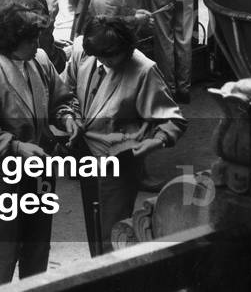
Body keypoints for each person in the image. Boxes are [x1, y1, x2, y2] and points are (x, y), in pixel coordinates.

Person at [0, 4, 78, 286]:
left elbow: (60, 98)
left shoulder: (39, 60)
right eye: (30, 39)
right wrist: (17, 147)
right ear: (12, 41)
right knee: (6, 242)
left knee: (39, 240)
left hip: (40, 168)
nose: (37, 44)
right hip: (5, 174)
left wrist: (67, 117)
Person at [64, 15, 186, 255]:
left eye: (112, 57)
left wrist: (155, 141)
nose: (107, 62)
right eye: (101, 58)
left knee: (113, 233)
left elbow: (174, 120)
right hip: (86, 155)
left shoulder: (144, 69)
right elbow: (65, 91)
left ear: (127, 48)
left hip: (120, 161)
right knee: (94, 226)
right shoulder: (83, 50)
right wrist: (70, 116)